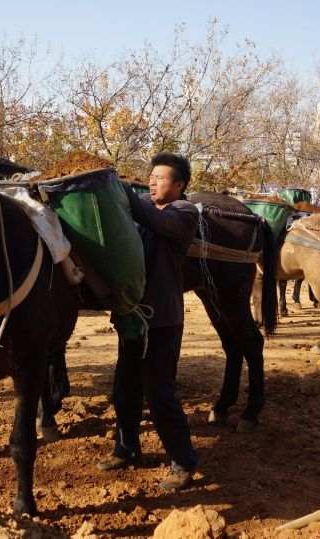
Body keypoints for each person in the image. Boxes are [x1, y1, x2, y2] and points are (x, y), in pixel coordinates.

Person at [97, 152, 199, 492]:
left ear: (179, 185)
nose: (152, 182)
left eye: (160, 177)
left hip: (162, 320)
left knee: (160, 395)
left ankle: (183, 463)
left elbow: (148, 216)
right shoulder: (142, 209)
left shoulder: (184, 212)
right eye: (150, 177)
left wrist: (119, 188)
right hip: (132, 316)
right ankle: (126, 448)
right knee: (124, 390)